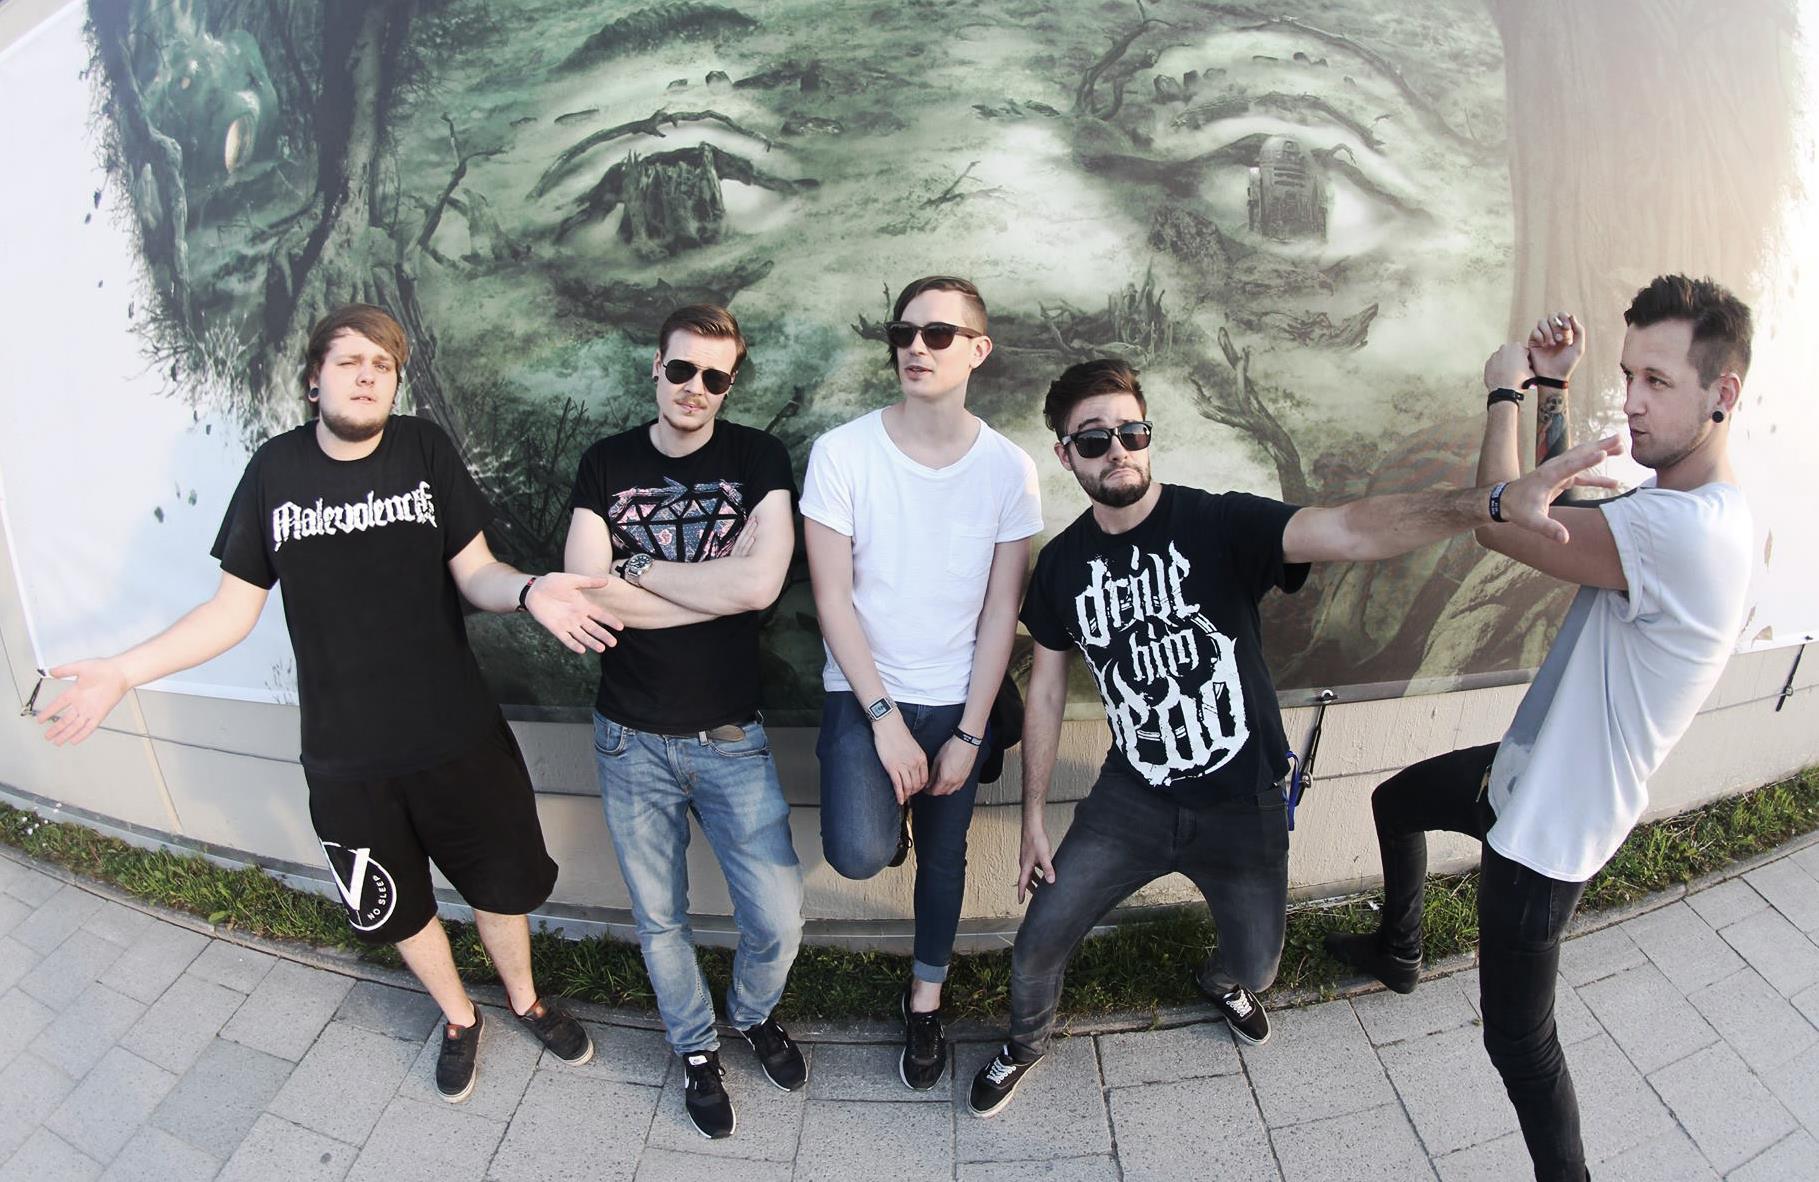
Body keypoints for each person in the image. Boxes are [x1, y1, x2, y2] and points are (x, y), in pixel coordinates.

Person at [968, 356, 1618, 1118]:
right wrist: (1034, 816)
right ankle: (1025, 1041)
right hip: (1130, 800)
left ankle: (1219, 982)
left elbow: (1348, 528)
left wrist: (1492, 501)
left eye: (1131, 431)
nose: (1117, 449)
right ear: (1064, 455)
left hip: (1242, 799)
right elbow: (1045, 690)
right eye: (1093, 439)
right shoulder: (1061, 567)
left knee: (1258, 968)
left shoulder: (1217, 523)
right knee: (1037, 941)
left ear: (1147, 436)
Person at [36, 303, 614, 1103]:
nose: (368, 376)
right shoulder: (274, 471)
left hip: (460, 738)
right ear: (315, 379)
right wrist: (123, 671)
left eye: (384, 365)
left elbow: (477, 572)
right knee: (396, 909)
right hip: (347, 760)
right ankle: (458, 1017)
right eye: (350, 361)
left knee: (499, 886)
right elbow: (229, 612)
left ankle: (524, 1000)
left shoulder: (423, 449)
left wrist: (529, 589)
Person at [1324, 276, 1755, 1181]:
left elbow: (1503, 519)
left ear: (1722, 393)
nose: (1631, 401)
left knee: (1519, 1043)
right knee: (1397, 802)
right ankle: (1398, 952)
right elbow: (1563, 504)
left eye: (1657, 382)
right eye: (1627, 375)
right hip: (1528, 769)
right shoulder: (1693, 511)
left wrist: (1504, 390)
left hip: (1549, 829)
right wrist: (1557, 386)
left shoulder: (1682, 532)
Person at [563, 303, 804, 1140]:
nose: (694, 387)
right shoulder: (604, 462)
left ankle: (751, 1013)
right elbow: (587, 595)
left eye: (714, 376)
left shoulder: (757, 457)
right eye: (680, 369)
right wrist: (712, 590)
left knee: (777, 917)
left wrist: (635, 568)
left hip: (731, 736)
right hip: (628, 737)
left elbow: (759, 587)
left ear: (729, 384)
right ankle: (695, 1047)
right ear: (654, 369)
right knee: (659, 917)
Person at [801, 275, 1043, 1090]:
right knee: (859, 852)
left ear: (977, 350)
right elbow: (831, 598)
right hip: (863, 692)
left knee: (946, 857)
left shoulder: (1008, 468)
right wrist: (883, 719)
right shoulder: (842, 453)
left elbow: (1001, 610)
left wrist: (970, 732)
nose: (915, 347)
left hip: (958, 699)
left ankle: (925, 1000)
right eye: (902, 333)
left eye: (938, 334)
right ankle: (887, 815)